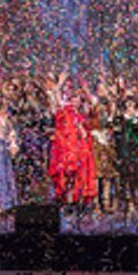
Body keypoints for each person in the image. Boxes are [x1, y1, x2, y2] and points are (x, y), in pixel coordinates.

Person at [48, 78, 98, 209]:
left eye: (78, 99)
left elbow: (94, 105)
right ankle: (67, 200)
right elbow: (55, 103)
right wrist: (58, 85)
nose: (76, 101)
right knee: (67, 174)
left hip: (80, 148)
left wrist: (86, 90)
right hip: (67, 148)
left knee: (79, 175)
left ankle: (76, 200)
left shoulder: (82, 114)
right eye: (73, 98)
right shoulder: (65, 111)